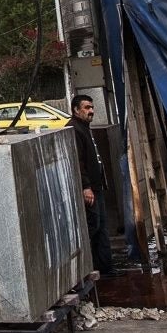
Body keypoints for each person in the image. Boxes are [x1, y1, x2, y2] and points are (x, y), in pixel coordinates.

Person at [69, 93, 118, 275]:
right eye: (86, 108)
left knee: (101, 226)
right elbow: (78, 161)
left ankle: (105, 267)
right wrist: (85, 186)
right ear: (76, 110)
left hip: (97, 186)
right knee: (93, 226)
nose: (91, 111)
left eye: (92, 107)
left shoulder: (84, 128)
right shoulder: (75, 129)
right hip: (90, 188)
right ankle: (87, 267)